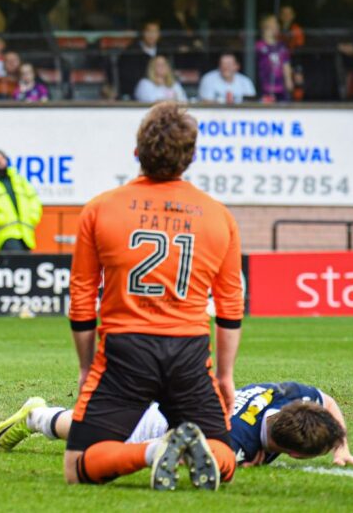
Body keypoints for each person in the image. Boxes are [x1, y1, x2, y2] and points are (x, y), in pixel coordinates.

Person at [60, 102, 243, 491]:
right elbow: (230, 306)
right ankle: (205, 455)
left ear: (137, 151)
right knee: (223, 451)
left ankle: (151, 452)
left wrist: (85, 366)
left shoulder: (100, 209)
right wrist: (225, 375)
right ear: (191, 157)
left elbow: (81, 297)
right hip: (190, 353)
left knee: (77, 467)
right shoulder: (218, 216)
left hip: (125, 352)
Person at [0, 382, 353, 470]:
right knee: (89, 436)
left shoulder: (283, 397)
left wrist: (343, 448)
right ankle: (35, 416)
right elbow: (190, 458)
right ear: (294, 453)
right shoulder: (235, 444)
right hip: (159, 422)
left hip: (182, 401)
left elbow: (327, 401)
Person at [0, 150, 42, 252]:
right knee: (16, 260)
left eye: (2, 158)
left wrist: (33, 216)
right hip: (5, 233)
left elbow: (34, 200)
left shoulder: (19, 180)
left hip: (25, 233)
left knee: (24, 264)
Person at [115, 20, 161, 99]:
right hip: (137, 95)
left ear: (159, 34)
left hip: (162, 91)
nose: (151, 35)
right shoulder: (131, 52)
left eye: (154, 32)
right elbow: (126, 77)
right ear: (143, 33)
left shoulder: (164, 50)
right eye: (148, 31)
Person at [255, 14, 294, 102]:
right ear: (265, 27)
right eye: (273, 24)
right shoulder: (260, 45)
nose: (277, 26)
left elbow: (285, 64)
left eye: (276, 24)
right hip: (264, 86)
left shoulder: (281, 46)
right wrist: (267, 37)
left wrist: (288, 79)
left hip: (280, 87)